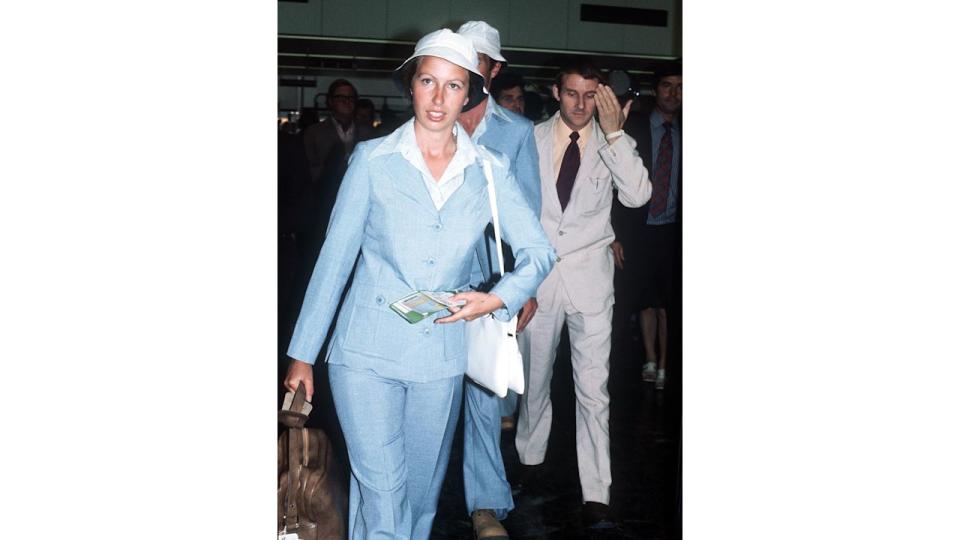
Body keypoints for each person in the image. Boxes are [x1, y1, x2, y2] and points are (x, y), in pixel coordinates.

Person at [283, 28, 555, 540]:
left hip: (440, 355)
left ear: (469, 93)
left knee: (418, 496)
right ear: (411, 85)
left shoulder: (489, 170)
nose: (438, 97)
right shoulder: (372, 161)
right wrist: (303, 354)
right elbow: (334, 260)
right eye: (428, 81)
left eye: (453, 86)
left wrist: (496, 298)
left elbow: (541, 252)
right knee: (384, 491)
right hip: (364, 352)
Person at [514, 57, 652, 529]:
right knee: (534, 381)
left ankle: (598, 491)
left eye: (590, 95)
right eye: (572, 93)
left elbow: (637, 197)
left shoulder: (616, 143)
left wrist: (615, 135)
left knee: (594, 390)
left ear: (602, 97)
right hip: (540, 279)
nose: (580, 104)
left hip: (591, 281)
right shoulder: (528, 139)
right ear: (556, 93)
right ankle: (530, 463)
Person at [455, 20, 541, 540]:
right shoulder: (433, 120)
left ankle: (485, 503)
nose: (468, 72)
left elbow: (529, 214)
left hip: (490, 281)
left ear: (494, 68)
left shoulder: (516, 133)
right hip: (434, 279)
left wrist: (523, 288)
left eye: (478, 63)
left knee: (485, 392)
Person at [611, 68, 681, 390]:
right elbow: (612, 183)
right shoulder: (634, 126)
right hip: (637, 230)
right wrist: (614, 235)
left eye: (681, 88)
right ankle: (647, 360)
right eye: (667, 86)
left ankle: (666, 365)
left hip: (672, 232)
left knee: (669, 301)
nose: (673, 93)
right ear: (656, 90)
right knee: (636, 300)